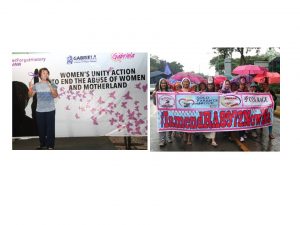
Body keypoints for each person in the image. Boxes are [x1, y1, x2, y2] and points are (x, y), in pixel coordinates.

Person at [28, 68, 58, 149]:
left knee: (50, 128)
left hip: (50, 109)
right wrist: (30, 88)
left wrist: (50, 87)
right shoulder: (36, 85)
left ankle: (50, 145)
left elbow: (55, 96)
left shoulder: (52, 84)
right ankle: (43, 144)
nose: (46, 74)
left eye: (47, 73)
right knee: (41, 128)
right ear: (40, 75)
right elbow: (30, 95)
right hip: (39, 110)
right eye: (44, 73)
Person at [152, 78, 172, 146]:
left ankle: (169, 137)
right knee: (162, 125)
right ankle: (162, 140)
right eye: (162, 83)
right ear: (160, 84)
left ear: (166, 84)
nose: (163, 84)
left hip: (170, 111)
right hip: (161, 112)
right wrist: (154, 96)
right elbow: (155, 103)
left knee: (170, 124)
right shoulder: (157, 92)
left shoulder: (170, 91)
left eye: (164, 83)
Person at [200, 77, 218, 147]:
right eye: (209, 85)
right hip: (206, 112)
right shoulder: (204, 92)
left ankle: (213, 140)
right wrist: (198, 93)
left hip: (214, 112)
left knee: (213, 126)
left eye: (211, 85)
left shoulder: (216, 92)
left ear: (213, 85)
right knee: (206, 125)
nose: (210, 86)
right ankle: (209, 137)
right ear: (207, 85)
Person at [179, 78, 193, 144]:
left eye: (187, 82)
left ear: (189, 83)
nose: (186, 83)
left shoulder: (191, 90)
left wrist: (196, 93)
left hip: (190, 110)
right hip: (182, 110)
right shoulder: (179, 90)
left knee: (190, 124)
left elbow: (196, 97)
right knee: (184, 123)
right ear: (182, 83)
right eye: (184, 82)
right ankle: (185, 135)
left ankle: (189, 138)